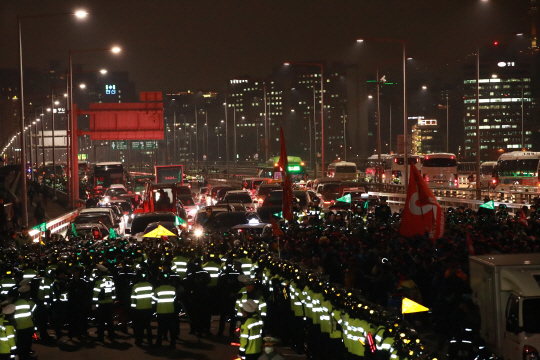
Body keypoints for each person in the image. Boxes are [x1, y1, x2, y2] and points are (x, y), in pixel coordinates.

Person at [92, 264, 116, 342]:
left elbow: (96, 293)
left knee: (101, 321)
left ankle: (100, 337)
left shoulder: (99, 281)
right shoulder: (111, 280)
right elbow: (114, 292)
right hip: (110, 303)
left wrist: (94, 303)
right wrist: (112, 301)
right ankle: (111, 336)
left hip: (101, 303)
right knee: (110, 321)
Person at [131, 271, 154, 347]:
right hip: (148, 308)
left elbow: (133, 299)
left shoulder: (136, 286)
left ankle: (139, 340)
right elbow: (153, 298)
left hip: (139, 309)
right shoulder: (150, 285)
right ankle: (150, 340)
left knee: (139, 326)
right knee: (148, 326)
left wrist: (133, 308)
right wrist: (152, 306)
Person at [154, 273, 177, 349]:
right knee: (171, 328)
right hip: (170, 310)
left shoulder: (157, 289)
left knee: (160, 328)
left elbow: (154, 299)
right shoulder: (173, 289)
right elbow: (174, 298)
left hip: (161, 310)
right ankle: (173, 343)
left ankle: (159, 342)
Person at [13, 285, 35, 360]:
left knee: (20, 343)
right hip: (28, 327)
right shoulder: (30, 303)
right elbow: (33, 313)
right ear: (28, 294)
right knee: (28, 343)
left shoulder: (15, 304)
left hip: (18, 328)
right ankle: (26, 356)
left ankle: (20, 356)